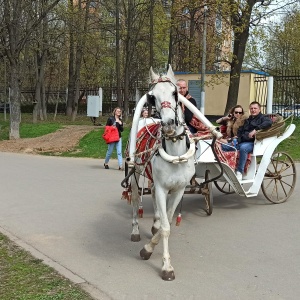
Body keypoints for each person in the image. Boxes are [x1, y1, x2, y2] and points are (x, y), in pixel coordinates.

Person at [235, 101, 272, 181]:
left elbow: (268, 123)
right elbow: (240, 130)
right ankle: (229, 168)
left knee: (243, 148)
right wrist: (237, 138)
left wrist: (256, 130)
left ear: (259, 109)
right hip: (242, 141)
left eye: (255, 108)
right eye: (251, 108)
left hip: (255, 143)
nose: (253, 110)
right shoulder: (248, 120)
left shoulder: (263, 118)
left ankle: (239, 172)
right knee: (226, 146)